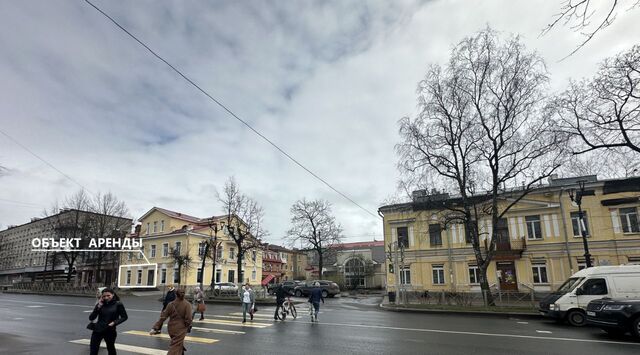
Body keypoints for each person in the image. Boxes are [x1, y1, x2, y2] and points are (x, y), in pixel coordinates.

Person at [151, 288, 192, 355]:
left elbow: (163, 317)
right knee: (175, 346)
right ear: (184, 294)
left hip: (171, 328)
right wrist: (187, 326)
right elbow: (189, 319)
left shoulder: (171, 304)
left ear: (176, 294)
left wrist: (155, 327)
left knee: (178, 343)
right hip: (181, 328)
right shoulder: (187, 305)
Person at [88, 288, 128, 355]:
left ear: (113, 294)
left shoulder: (118, 304)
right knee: (93, 350)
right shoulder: (100, 304)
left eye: (108, 295)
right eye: (104, 296)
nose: (106, 297)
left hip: (110, 330)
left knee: (111, 349)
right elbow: (91, 318)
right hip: (97, 330)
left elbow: (124, 317)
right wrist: (98, 306)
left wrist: (114, 322)